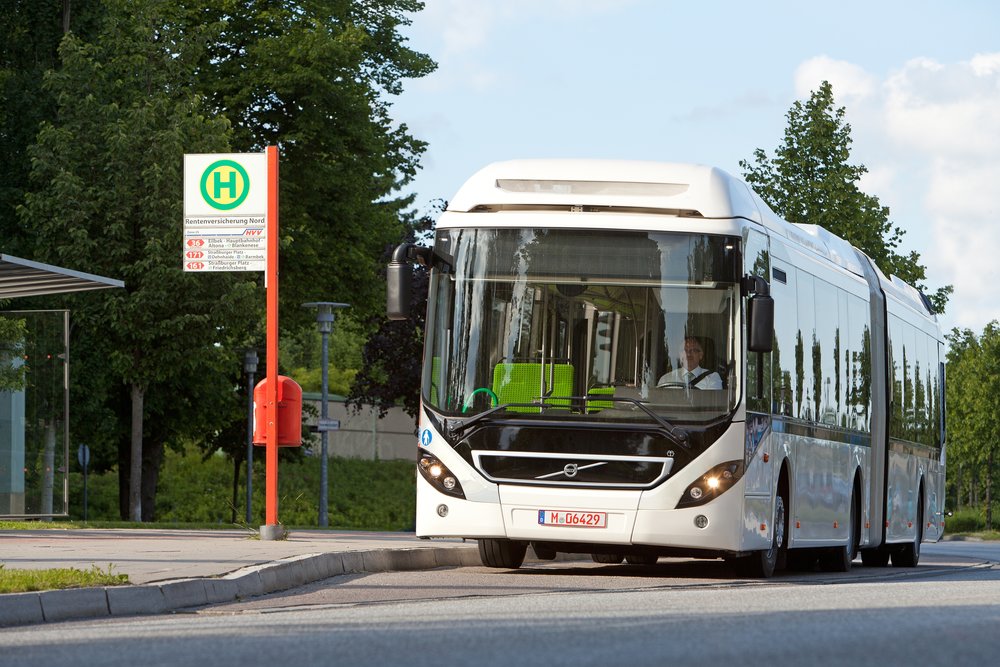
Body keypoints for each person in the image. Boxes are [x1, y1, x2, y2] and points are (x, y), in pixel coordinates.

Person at [657, 336, 722, 389]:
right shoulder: (666, 379)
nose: (688, 354)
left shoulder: (712, 378)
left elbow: (712, 403)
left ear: (701, 355)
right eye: (684, 350)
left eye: (693, 350)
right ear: (680, 355)